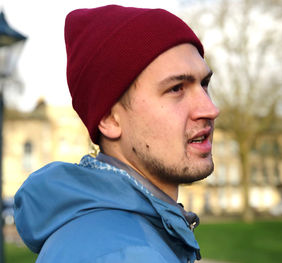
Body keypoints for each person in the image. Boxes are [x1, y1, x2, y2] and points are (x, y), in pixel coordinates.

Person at [14, 4, 219, 263]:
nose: (210, 109)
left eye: (204, 84)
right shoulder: (125, 254)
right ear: (109, 119)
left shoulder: (104, 236)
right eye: (177, 88)